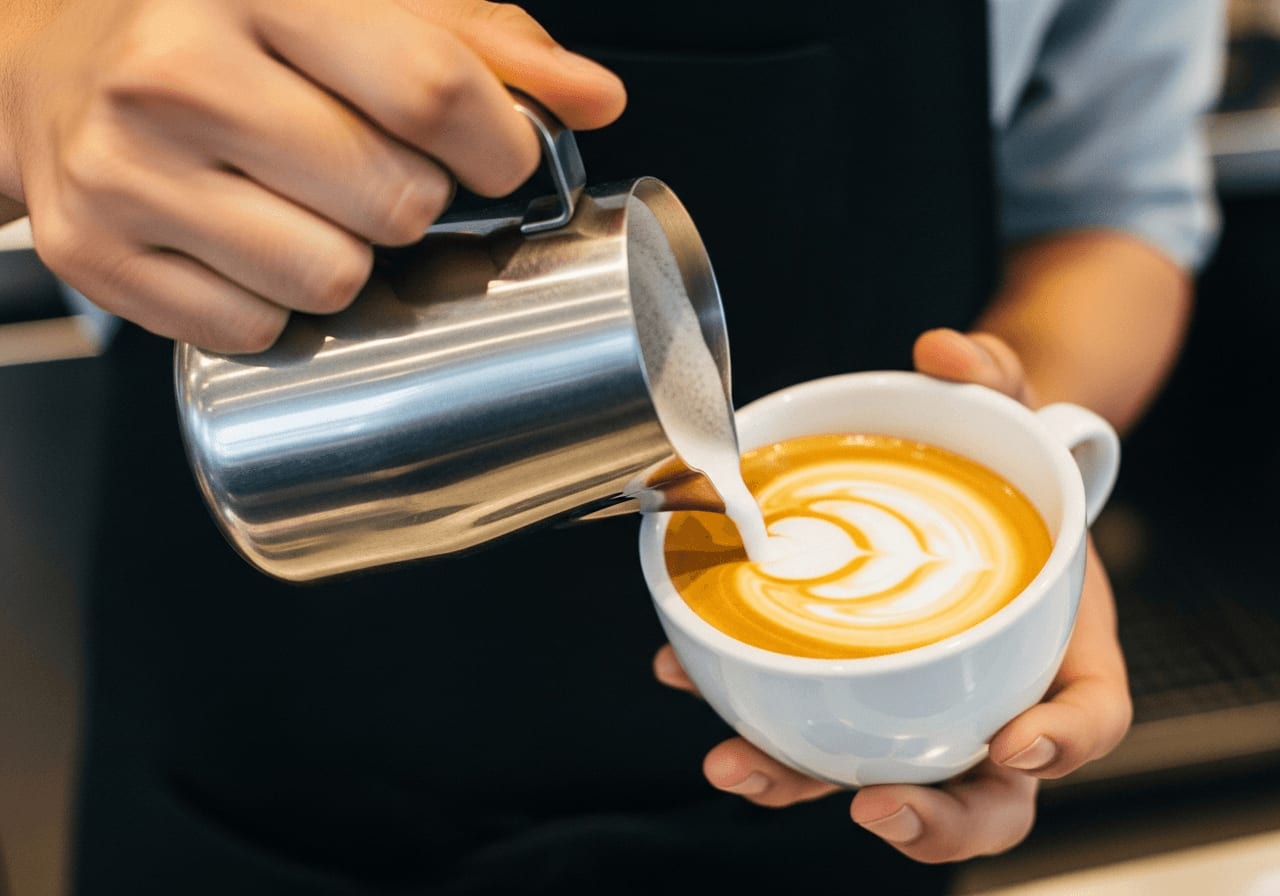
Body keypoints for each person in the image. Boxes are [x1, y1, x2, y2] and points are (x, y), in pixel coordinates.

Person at [0, 0, 1223, 892]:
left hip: (825, 795)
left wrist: (1025, 453)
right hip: (256, 737)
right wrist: (33, 65)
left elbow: (1113, 215)